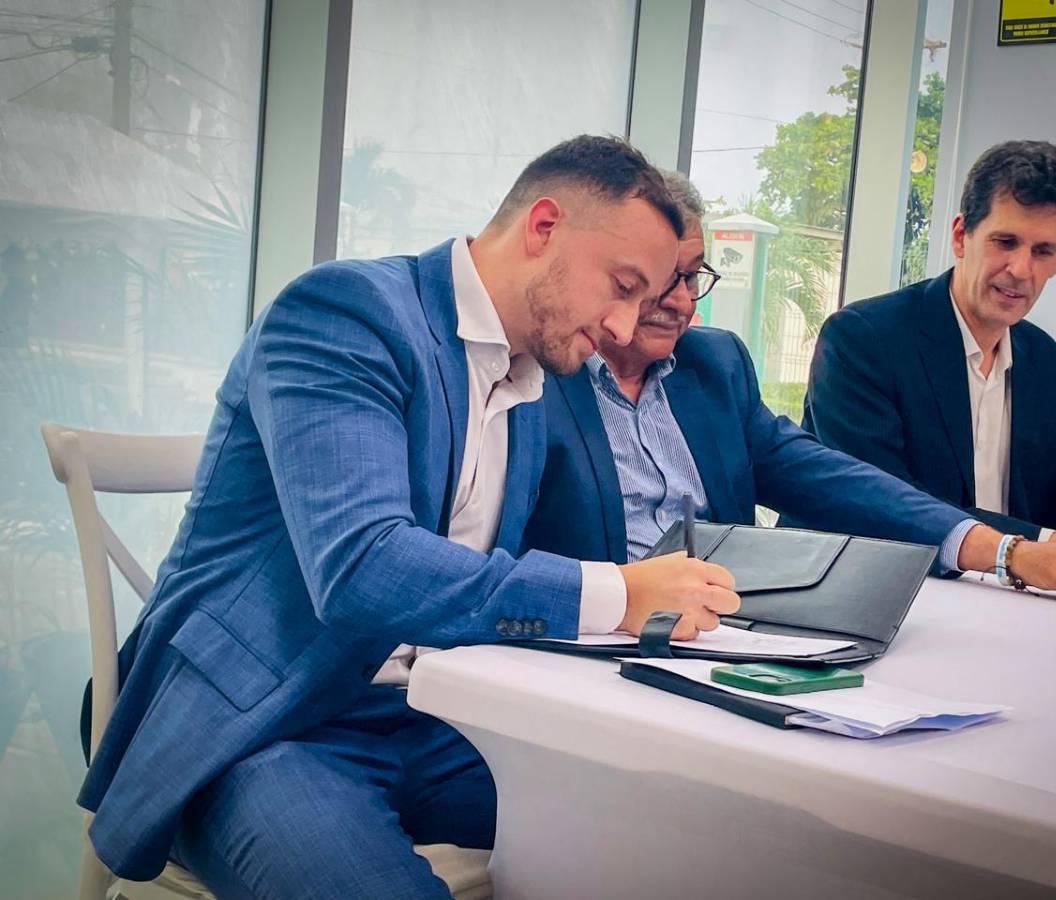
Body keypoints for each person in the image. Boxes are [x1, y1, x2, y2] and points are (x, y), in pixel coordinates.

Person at [77, 136, 741, 898]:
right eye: (622, 286)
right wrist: (619, 595)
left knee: (675, 841)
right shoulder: (345, 314)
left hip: (429, 716)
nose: (625, 328)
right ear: (545, 227)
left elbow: (476, 581)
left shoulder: (527, 376)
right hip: (265, 726)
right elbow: (362, 569)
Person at [523, 169, 1056, 603]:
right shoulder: (538, 373)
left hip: (734, 626)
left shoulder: (715, 365)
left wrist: (1006, 553)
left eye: (693, 276)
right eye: (659, 279)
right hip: (596, 647)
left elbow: (836, 482)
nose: (680, 302)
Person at [802, 140, 1056, 584]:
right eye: (1005, 242)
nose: (1020, 269)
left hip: (1010, 604)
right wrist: (1041, 545)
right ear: (960, 236)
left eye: (1042, 251)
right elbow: (879, 504)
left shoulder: (1047, 363)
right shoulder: (862, 338)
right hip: (874, 593)